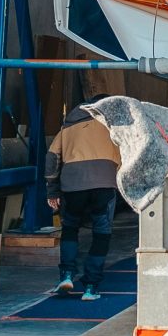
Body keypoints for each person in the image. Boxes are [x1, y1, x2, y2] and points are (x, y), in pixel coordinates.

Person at [45, 93, 123, 300]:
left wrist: (52, 190)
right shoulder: (114, 125)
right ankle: (91, 287)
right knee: (101, 233)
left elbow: (51, 158)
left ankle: (67, 275)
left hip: (73, 184)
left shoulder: (69, 125)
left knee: (70, 228)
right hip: (104, 183)